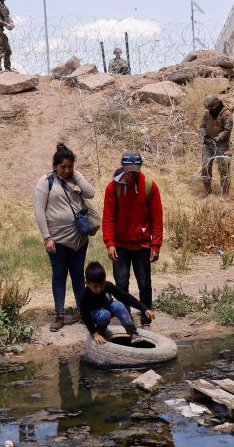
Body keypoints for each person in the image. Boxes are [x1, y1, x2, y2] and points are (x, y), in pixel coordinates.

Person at [33, 144, 96, 331]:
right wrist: (47, 238)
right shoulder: (45, 182)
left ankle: (82, 311)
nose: (67, 170)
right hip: (58, 241)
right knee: (59, 276)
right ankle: (59, 315)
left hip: (79, 239)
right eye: (63, 167)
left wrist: (76, 175)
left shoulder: (75, 177)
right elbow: (39, 212)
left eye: (70, 166)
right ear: (55, 166)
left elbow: (90, 193)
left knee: (78, 275)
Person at [102, 151, 163, 327]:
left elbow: (157, 219)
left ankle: (146, 318)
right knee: (121, 283)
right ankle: (125, 317)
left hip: (142, 244)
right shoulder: (113, 188)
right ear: (123, 168)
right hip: (120, 244)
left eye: (135, 172)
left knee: (144, 283)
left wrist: (156, 245)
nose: (131, 175)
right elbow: (108, 218)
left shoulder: (150, 186)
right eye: (128, 171)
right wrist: (110, 243)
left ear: (140, 169)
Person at [80, 261, 154, 345]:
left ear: (104, 280)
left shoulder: (108, 286)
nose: (99, 289)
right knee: (105, 314)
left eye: (101, 285)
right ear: (87, 284)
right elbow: (85, 315)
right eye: (95, 286)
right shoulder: (85, 296)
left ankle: (132, 332)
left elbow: (125, 297)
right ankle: (101, 330)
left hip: (106, 308)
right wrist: (95, 334)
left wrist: (144, 308)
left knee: (119, 305)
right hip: (96, 315)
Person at [199, 95, 234, 196]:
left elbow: (227, 131)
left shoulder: (226, 114)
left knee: (224, 169)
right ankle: (207, 190)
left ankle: (225, 193)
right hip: (208, 145)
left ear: (215, 106)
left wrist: (216, 139)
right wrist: (205, 136)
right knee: (205, 167)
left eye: (211, 109)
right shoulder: (208, 113)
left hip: (222, 146)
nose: (209, 111)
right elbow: (202, 126)